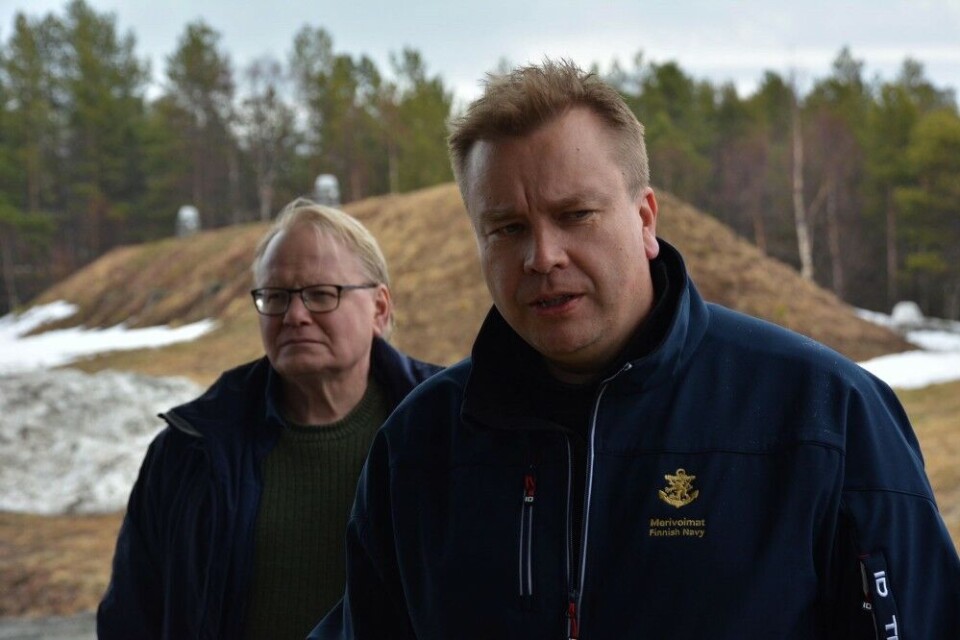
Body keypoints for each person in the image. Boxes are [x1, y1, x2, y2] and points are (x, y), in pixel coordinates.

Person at [310, 60, 960, 639]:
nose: (542, 257)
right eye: (507, 228)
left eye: (574, 215)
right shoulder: (418, 449)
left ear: (645, 218)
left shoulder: (824, 417)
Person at [97, 198, 440, 639]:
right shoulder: (190, 451)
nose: (295, 316)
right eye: (275, 297)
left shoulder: (444, 428)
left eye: (321, 294)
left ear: (379, 308)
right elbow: (130, 618)